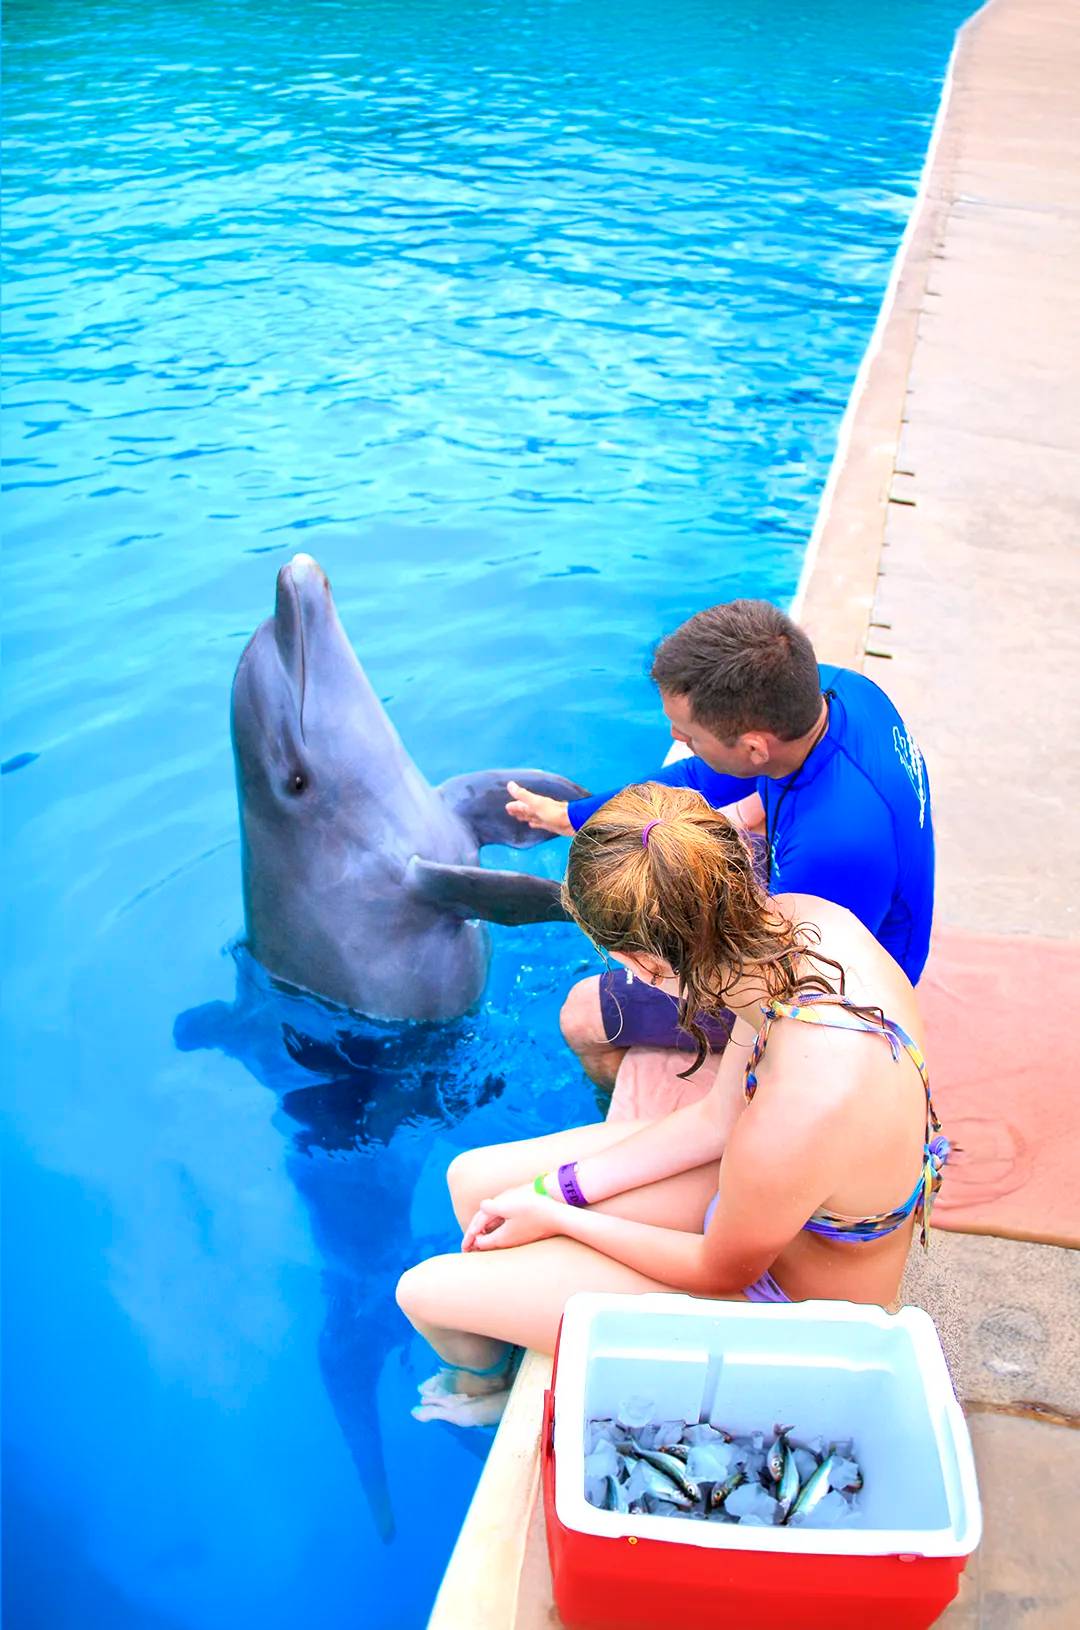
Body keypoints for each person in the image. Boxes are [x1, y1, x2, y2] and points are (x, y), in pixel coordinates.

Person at [396, 783, 948, 1424]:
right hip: (774, 1210)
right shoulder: (799, 926)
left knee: (425, 1292)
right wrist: (558, 1191)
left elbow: (717, 1268)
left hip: (801, 1317)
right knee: (472, 1182)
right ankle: (520, 1326)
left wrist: (563, 1219)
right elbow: (717, 1119)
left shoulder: (801, 1106)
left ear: (639, 963)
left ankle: (487, 1389)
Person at [506, 600, 934, 1088]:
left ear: (754, 747)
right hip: (843, 884)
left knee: (582, 1013)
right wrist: (570, 816)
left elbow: (792, 989)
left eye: (688, 734)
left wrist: (657, 961)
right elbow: (696, 778)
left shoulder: (832, 850)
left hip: (849, 987)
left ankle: (635, 1108)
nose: (674, 737)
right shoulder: (839, 691)